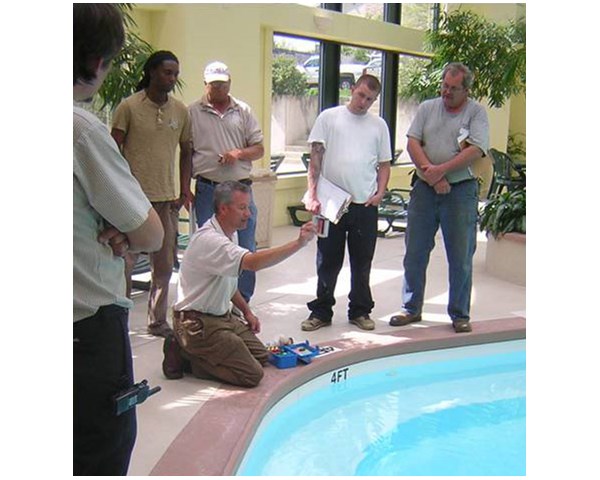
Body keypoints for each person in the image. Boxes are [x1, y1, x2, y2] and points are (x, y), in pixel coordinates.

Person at [73, 4, 164, 475]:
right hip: (84, 328)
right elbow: (150, 232)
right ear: (96, 63)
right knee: (100, 448)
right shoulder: (81, 129)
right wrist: (127, 227)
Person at [162, 181, 316, 387]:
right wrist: (298, 243)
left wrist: (247, 311)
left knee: (262, 357)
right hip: (196, 323)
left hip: (221, 317)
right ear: (223, 209)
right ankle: (187, 356)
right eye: (242, 208)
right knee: (251, 375)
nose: (248, 214)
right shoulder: (210, 240)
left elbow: (228, 283)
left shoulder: (230, 233)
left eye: (248, 207)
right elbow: (253, 263)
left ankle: (199, 350)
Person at [390, 62, 489, 333]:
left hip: (460, 191)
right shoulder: (427, 108)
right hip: (424, 188)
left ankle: (459, 313)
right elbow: (412, 141)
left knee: (460, 254)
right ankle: (410, 307)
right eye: (445, 85)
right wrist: (431, 174)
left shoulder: (476, 113)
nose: (447, 92)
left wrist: (441, 172)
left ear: (466, 90)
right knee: (415, 251)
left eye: (454, 89)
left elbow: (476, 150)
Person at [111, 51, 193, 337]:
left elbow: (188, 151)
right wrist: (118, 188)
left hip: (166, 200)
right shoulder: (129, 107)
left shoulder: (181, 111)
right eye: (167, 72)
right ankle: (119, 320)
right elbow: (113, 150)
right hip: (132, 200)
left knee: (164, 264)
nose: (171, 79)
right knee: (125, 264)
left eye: (175, 74)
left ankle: (157, 320)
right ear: (151, 72)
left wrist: (184, 189)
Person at [301, 74, 392, 332]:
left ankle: (360, 310)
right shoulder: (329, 118)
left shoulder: (379, 126)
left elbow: (384, 164)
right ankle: (321, 311)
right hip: (331, 204)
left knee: (362, 262)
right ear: (352, 90)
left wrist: (380, 193)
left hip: (364, 204)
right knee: (327, 260)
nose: (363, 102)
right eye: (361, 95)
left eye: (370, 99)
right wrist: (313, 193)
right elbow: (315, 158)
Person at [188, 61, 264, 304]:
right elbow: (186, 152)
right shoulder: (193, 112)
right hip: (207, 189)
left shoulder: (243, 111)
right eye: (214, 84)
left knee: (245, 245)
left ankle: (244, 302)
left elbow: (259, 149)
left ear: (230, 83)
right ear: (206, 85)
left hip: (240, 189)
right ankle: (215, 299)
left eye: (223, 83)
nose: (219, 88)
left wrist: (238, 154)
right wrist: (183, 188)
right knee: (211, 245)